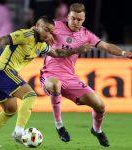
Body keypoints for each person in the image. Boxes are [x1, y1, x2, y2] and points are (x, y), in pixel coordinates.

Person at [0, 16, 91, 147]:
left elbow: (57, 53)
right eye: (46, 30)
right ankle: (19, 131)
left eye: (51, 31)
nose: (48, 34)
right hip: (3, 71)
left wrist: (77, 50)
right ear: (37, 26)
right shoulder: (26, 34)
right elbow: (4, 39)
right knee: (30, 95)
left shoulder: (41, 45)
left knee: (10, 110)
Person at [40, 3, 132, 147]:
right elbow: (39, 25)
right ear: (68, 16)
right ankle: (59, 126)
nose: (75, 22)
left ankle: (97, 130)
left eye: (79, 20)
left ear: (84, 19)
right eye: (73, 18)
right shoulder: (56, 25)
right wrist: (44, 34)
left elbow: (106, 46)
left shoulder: (86, 35)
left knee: (100, 106)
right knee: (55, 84)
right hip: (49, 74)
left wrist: (124, 53)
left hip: (70, 78)